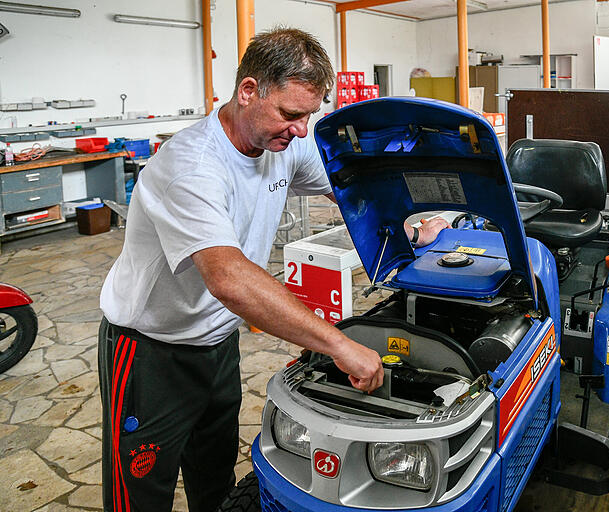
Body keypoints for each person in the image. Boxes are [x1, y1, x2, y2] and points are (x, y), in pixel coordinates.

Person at [97, 27, 448, 512]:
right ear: (248, 91)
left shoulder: (286, 144)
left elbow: (350, 195)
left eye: (309, 115)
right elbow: (229, 278)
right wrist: (339, 345)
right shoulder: (192, 165)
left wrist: (407, 229)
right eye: (290, 113)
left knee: (215, 478)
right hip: (151, 352)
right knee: (138, 494)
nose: (302, 129)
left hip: (218, 345)